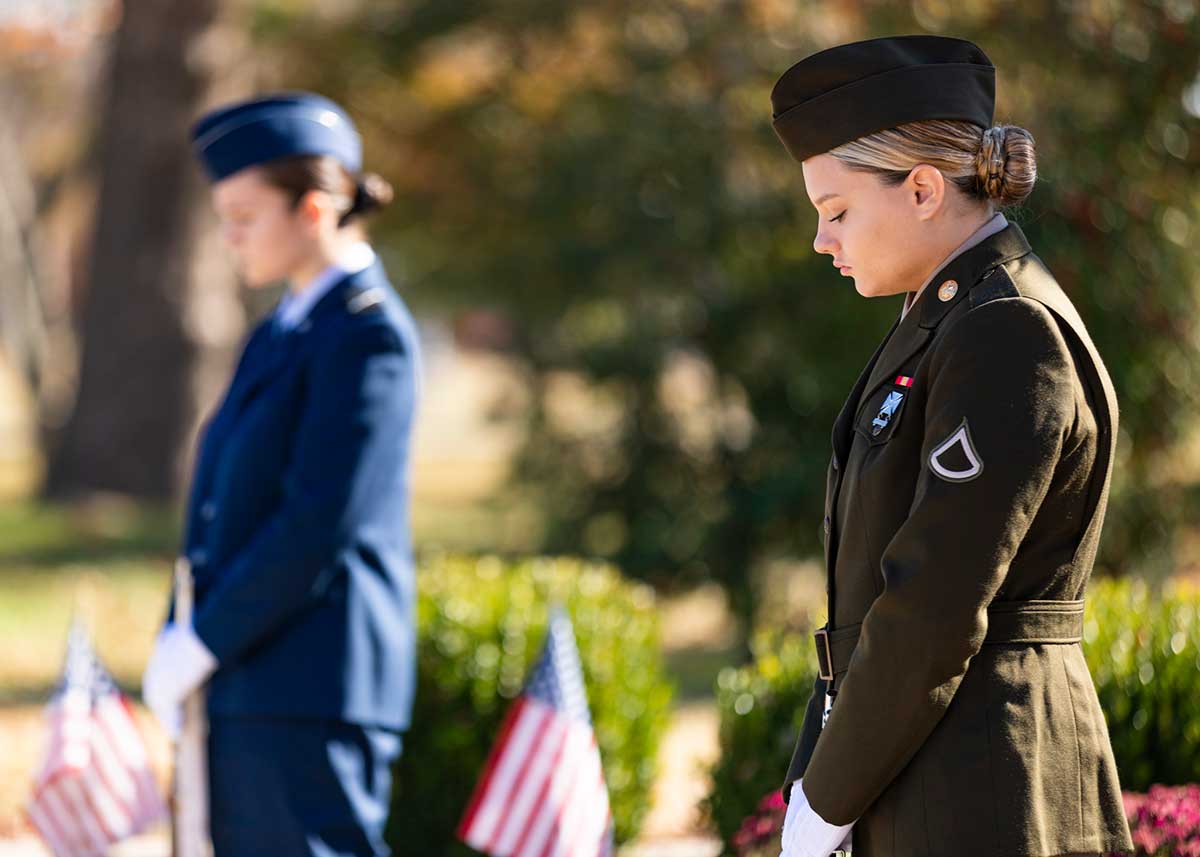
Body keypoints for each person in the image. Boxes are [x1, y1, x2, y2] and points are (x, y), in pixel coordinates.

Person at [768, 37, 1135, 857]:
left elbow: (931, 602)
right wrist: (819, 778)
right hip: (927, 770)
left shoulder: (1004, 327)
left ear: (924, 189)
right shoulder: (946, 318)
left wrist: (823, 806)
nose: (823, 242)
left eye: (837, 212)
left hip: (982, 783)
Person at [141, 92, 421, 856]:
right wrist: (184, 633)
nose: (228, 236)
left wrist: (200, 642)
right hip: (249, 680)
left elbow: (317, 522)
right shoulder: (281, 330)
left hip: (310, 690)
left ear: (315, 208)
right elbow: (224, 509)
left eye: (243, 215)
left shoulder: (370, 337)